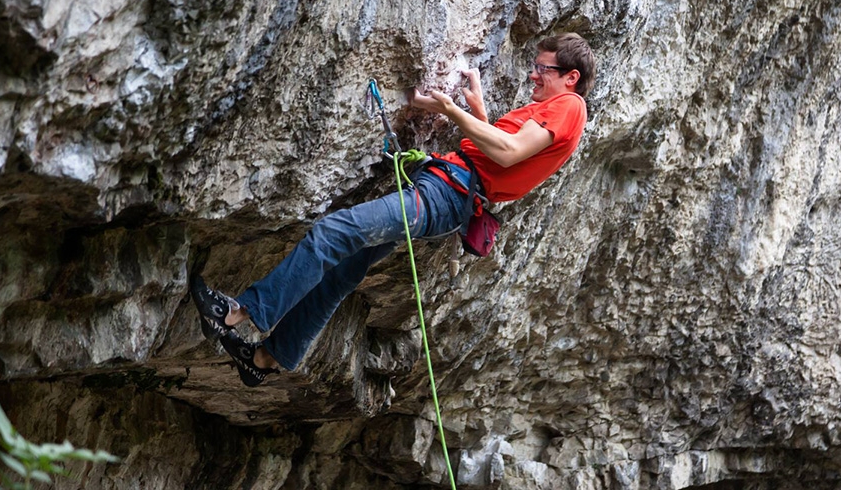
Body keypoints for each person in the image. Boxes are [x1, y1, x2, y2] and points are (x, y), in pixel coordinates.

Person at [190, 32, 595, 386]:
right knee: (342, 272)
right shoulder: (549, 111)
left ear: (570, 76)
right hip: (449, 191)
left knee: (334, 232)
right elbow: (500, 153)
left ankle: (239, 312)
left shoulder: (569, 106)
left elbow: (508, 154)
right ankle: (263, 359)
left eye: (542, 68)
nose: (532, 75)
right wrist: (476, 108)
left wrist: (452, 111)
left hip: (446, 195)